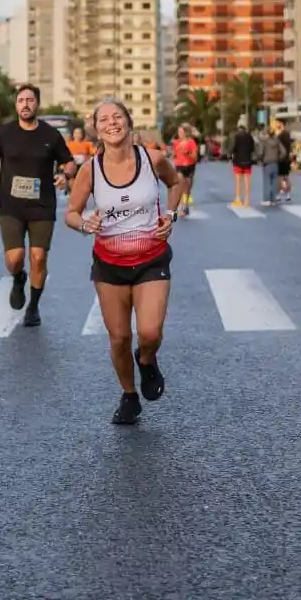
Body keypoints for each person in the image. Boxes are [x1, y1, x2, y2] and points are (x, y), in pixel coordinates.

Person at [64, 98, 182, 426]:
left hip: (151, 259)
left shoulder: (152, 158)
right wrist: (84, 223)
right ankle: (129, 395)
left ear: (129, 122)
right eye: (104, 119)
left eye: (118, 116)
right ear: (96, 130)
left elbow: (176, 183)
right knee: (118, 337)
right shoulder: (90, 170)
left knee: (149, 332)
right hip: (109, 265)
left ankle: (146, 361)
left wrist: (171, 214)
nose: (112, 123)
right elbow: (70, 214)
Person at [0, 84, 76, 328]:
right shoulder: (4, 134)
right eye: (21, 100)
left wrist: (64, 175)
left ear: (37, 104)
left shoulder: (50, 136)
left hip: (42, 205)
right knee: (15, 258)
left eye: (30, 100)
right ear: (16, 105)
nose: (25, 104)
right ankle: (17, 277)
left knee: (38, 257)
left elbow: (69, 163)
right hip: (11, 205)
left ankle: (33, 307)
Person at [171, 124, 198, 216]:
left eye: (181, 132)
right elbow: (174, 154)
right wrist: (174, 155)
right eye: (179, 132)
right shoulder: (176, 142)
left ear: (186, 133)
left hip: (190, 166)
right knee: (180, 185)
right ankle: (180, 206)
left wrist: (187, 153)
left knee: (187, 187)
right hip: (179, 166)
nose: (179, 134)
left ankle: (185, 205)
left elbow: (195, 158)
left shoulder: (191, 142)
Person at [258, 129, 287, 207]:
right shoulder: (277, 142)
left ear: (267, 134)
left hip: (267, 163)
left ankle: (267, 200)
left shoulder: (265, 142)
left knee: (267, 182)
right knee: (274, 182)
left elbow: (260, 153)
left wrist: (260, 159)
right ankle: (273, 200)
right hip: (275, 163)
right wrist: (278, 158)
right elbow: (284, 152)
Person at [230, 121, 255, 206]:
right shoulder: (250, 137)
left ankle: (238, 199)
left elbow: (233, 148)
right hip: (247, 160)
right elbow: (253, 148)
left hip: (238, 161)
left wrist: (230, 155)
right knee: (247, 180)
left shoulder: (237, 137)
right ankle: (247, 200)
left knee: (238, 180)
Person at [275, 120, 294, 201]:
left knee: (279, 177)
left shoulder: (280, 135)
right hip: (287, 158)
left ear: (281, 124)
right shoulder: (287, 134)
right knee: (286, 177)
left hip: (281, 158)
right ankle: (288, 195)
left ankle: (278, 195)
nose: (276, 125)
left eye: (278, 123)